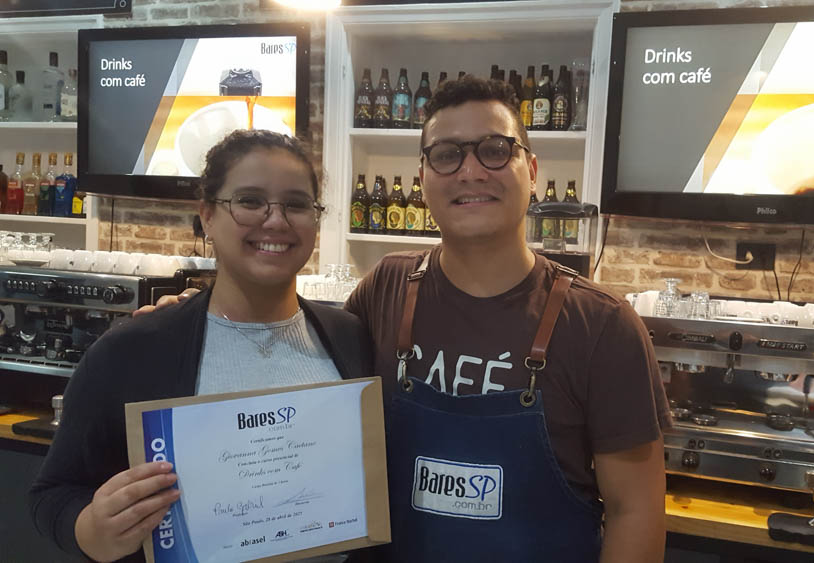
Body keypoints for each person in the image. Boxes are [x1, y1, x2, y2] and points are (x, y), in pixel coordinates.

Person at [142, 77, 669, 562]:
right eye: (446, 155)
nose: (470, 171)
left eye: (494, 149)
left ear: (531, 170)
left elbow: (636, 512)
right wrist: (197, 319)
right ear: (423, 177)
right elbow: (298, 359)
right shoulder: (387, 288)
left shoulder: (601, 325)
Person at [29, 130, 373, 563]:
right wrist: (92, 531)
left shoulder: (351, 337)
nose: (276, 221)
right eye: (250, 201)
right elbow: (52, 493)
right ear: (207, 215)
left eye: (297, 204)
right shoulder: (134, 349)